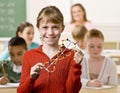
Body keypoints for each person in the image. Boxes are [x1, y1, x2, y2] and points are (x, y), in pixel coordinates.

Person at [17, 6, 83, 93]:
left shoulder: (70, 56)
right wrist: (31, 78)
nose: (50, 32)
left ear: (62, 28)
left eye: (55, 27)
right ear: (38, 28)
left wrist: (76, 66)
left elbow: (72, 91)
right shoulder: (29, 56)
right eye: (45, 27)